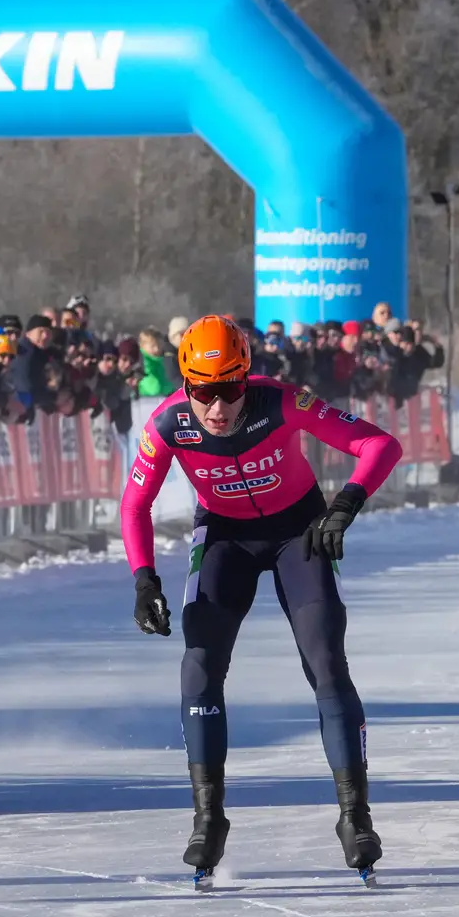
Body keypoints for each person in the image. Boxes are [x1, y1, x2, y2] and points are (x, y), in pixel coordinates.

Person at [121, 315, 402, 888]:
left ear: (247, 380)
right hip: (224, 537)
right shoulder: (169, 423)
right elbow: (134, 505)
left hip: (300, 530)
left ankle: (356, 817)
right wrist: (144, 578)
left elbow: (380, 444)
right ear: (185, 386)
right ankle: (207, 820)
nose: (218, 407)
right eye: (204, 391)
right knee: (198, 666)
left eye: (230, 389)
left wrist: (345, 503)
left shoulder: (284, 401)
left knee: (326, 663)